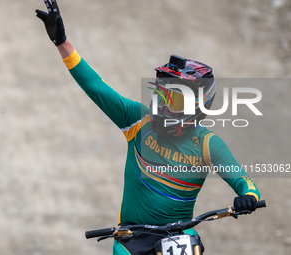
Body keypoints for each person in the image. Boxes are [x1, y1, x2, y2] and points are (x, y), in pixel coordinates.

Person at [35, 1, 260, 254]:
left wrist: (247, 197)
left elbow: (244, 181)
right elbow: (96, 87)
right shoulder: (138, 121)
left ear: (198, 105)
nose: (161, 106)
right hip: (132, 239)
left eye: (171, 99)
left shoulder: (208, 145)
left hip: (181, 235)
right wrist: (62, 42)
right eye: (160, 95)